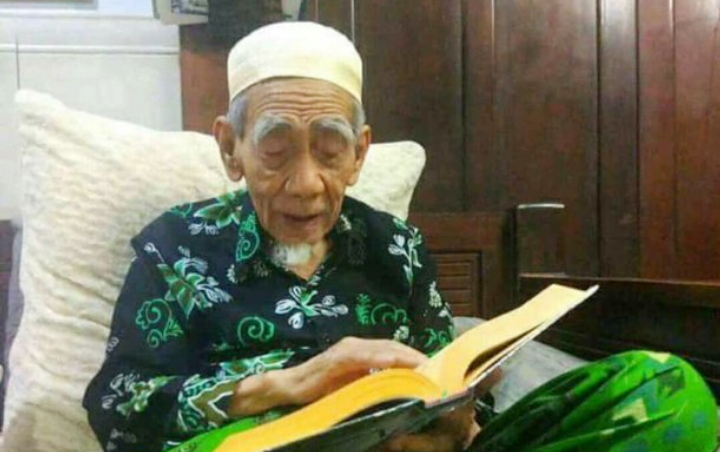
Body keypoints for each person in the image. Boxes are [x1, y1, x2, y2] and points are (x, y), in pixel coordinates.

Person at [83, 22, 718, 452]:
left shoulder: (397, 247)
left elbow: (441, 379)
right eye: (275, 150)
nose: (305, 184)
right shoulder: (177, 245)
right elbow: (116, 409)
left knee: (666, 388)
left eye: (330, 149)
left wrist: (454, 418)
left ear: (360, 154)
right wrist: (290, 385)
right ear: (231, 148)